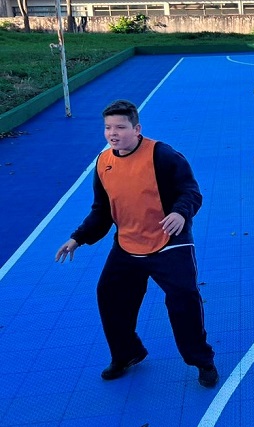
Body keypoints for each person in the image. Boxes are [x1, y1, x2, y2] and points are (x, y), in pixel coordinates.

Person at [55, 100, 218, 388]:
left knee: (184, 301)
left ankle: (202, 360)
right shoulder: (104, 162)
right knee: (109, 295)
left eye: (120, 127)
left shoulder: (162, 155)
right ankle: (127, 353)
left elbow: (190, 191)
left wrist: (181, 213)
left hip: (169, 243)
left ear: (137, 128)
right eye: (108, 128)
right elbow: (102, 211)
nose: (112, 133)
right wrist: (78, 237)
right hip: (128, 245)